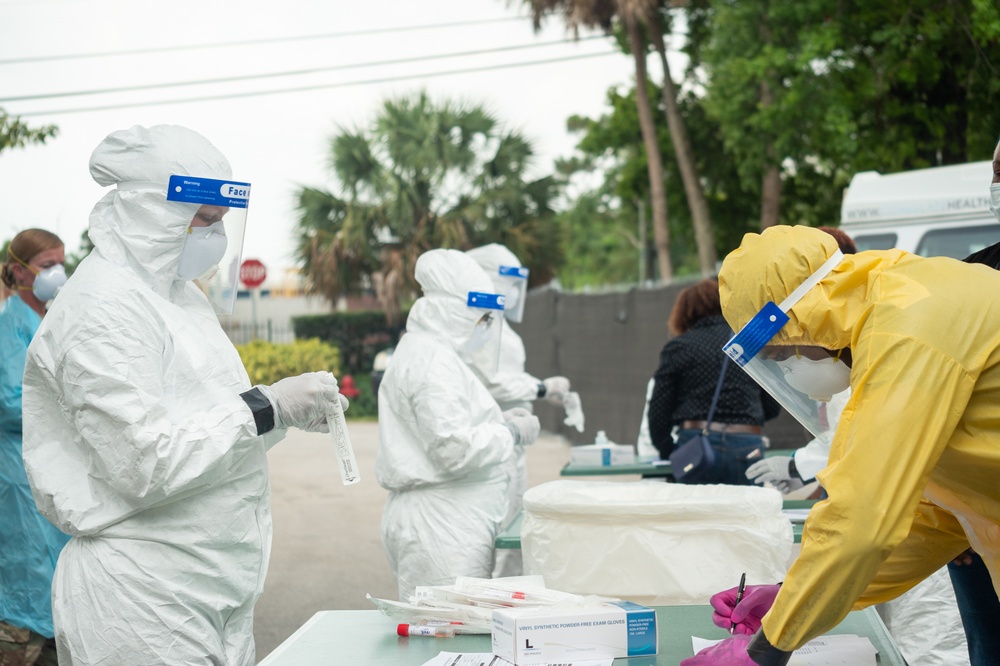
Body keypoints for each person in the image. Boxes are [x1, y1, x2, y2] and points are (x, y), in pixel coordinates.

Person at [20, 125, 347, 666]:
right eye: (204, 220)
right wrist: (268, 407)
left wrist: (287, 415)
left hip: (206, 585)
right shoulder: (104, 305)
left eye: (222, 223)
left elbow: (210, 436)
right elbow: (145, 463)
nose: (214, 238)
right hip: (142, 597)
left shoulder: (178, 300)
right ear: (152, 210)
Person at [686, 223, 1000, 665]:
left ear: (801, 318)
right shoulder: (898, 297)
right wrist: (788, 598)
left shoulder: (906, 327)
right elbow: (940, 519)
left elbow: (860, 519)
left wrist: (765, 650)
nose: (789, 371)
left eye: (781, 355)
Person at [376, 248, 540, 601]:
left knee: (444, 632)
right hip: (442, 528)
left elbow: (447, 425)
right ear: (455, 312)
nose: (486, 327)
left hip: (443, 522)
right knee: (445, 636)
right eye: (482, 318)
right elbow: (452, 447)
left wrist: (498, 419)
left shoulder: (429, 352)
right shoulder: (434, 362)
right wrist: (509, 433)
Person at [465, 243, 570, 577]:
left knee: (514, 529)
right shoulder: (481, 322)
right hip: (495, 438)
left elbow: (507, 375)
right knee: (496, 532)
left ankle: (508, 598)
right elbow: (492, 382)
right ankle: (492, 601)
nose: (513, 292)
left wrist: (541, 386)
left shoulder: (500, 325)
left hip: (515, 442)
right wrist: (541, 388)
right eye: (507, 282)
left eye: (516, 284)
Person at [1, 229, 70, 666]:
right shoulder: (9, 327)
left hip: (51, 470)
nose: (58, 274)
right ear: (18, 271)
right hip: (17, 473)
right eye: (47, 266)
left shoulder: (50, 322)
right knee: (26, 568)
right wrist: (71, 407)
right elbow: (10, 402)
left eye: (62, 263)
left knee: (57, 574)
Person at [647, 278, 781, 485]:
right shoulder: (748, 343)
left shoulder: (679, 346)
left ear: (685, 312)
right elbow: (772, 405)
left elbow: (658, 411)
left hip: (695, 442)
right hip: (747, 443)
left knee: (696, 514)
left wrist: (671, 450)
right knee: (744, 513)